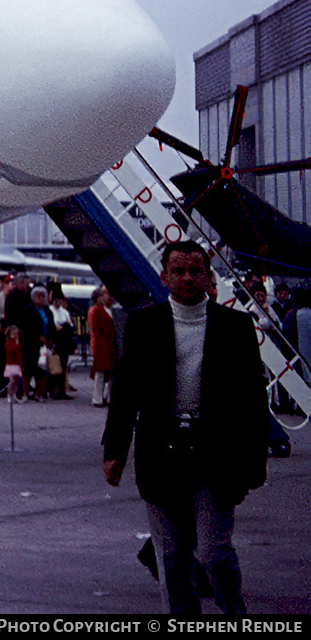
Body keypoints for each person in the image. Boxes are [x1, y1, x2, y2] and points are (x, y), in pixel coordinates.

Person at [103, 240, 268, 615]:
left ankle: (234, 612)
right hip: (161, 459)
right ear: (164, 277)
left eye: (196, 271)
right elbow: (125, 392)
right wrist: (115, 452)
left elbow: (254, 402)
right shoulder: (144, 324)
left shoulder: (236, 327)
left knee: (214, 551)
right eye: (179, 270)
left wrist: (256, 464)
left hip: (216, 460)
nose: (188, 278)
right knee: (172, 557)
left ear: (209, 278)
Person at [87, 285, 118, 407]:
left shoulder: (115, 310)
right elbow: (96, 330)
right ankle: (97, 398)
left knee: (112, 375)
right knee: (100, 374)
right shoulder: (98, 311)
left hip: (113, 345)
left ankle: (109, 397)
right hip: (103, 345)